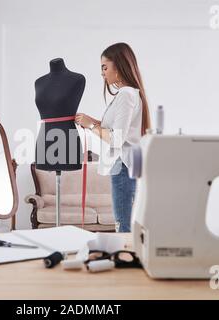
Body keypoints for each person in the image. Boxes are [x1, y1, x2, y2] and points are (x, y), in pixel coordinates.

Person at [75, 42, 151, 232]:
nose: (102, 73)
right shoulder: (128, 94)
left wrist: (90, 125)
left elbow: (116, 139)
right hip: (124, 166)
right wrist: (93, 122)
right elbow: (117, 131)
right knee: (123, 223)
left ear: (118, 66)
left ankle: (127, 259)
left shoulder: (126, 95)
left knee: (123, 225)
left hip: (123, 165)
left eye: (105, 67)